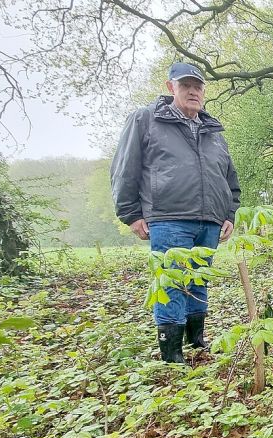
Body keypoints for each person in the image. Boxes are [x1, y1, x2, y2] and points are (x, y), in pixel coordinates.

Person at [111, 62, 241, 363]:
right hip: (168, 218)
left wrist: (228, 214)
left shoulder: (213, 131)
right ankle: (172, 355)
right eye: (185, 85)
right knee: (172, 281)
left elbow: (229, 179)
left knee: (199, 280)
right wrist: (131, 213)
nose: (193, 91)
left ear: (204, 91)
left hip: (209, 220)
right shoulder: (146, 119)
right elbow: (124, 169)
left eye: (198, 86)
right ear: (171, 88)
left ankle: (196, 342)